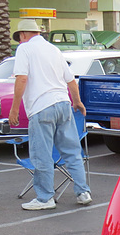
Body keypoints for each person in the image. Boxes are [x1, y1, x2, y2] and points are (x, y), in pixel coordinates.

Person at [8, 19, 92, 211]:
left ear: (23, 35)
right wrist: (77, 102)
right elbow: (71, 80)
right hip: (63, 103)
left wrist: (14, 108)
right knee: (72, 151)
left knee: (42, 154)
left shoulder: (24, 49)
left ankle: (45, 198)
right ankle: (83, 192)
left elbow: (22, 78)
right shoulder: (53, 50)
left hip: (41, 106)